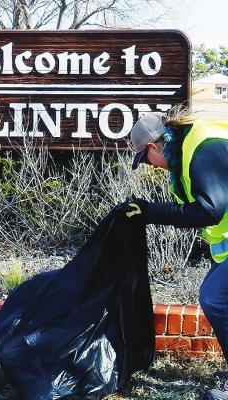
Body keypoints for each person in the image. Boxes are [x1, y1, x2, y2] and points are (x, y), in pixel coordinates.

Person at [125, 108, 228, 400]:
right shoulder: (193, 145)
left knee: (217, 299)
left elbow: (209, 209)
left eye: (146, 159)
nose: (151, 166)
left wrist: (149, 211)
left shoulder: (201, 150)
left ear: (153, 146)